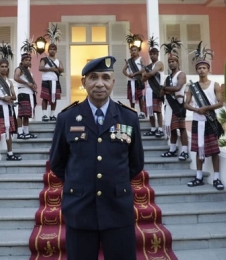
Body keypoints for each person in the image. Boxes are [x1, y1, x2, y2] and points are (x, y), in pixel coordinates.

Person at [50, 56, 144, 259]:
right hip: (80, 210)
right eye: (93, 77)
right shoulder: (67, 118)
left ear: (113, 82)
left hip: (117, 209)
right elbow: (57, 163)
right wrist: (81, 182)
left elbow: (136, 163)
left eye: (105, 77)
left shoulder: (129, 117)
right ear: (83, 82)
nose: (99, 83)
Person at [184, 42, 224, 189]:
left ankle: (217, 178)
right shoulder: (192, 86)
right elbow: (186, 104)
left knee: (214, 150)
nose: (201, 70)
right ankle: (199, 176)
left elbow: (220, 103)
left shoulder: (215, 85)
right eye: (199, 68)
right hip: (197, 120)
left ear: (208, 70)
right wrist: (196, 110)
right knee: (198, 149)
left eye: (204, 68)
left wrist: (206, 107)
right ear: (196, 70)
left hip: (210, 120)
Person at [0, 42, 22, 164]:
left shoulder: (10, 82)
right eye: (1, 66)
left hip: (9, 108)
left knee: (8, 131)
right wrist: (2, 98)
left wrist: (11, 97)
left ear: (8, 68)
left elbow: (14, 96)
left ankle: (10, 153)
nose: (4, 68)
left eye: (5, 66)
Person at [160, 38, 189, 161]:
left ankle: (185, 151)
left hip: (178, 105)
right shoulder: (168, 77)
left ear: (177, 62)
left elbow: (177, 87)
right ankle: (172, 149)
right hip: (169, 106)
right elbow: (164, 92)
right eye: (169, 61)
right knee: (172, 128)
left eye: (173, 61)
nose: (171, 63)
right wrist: (166, 89)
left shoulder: (181, 74)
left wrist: (165, 88)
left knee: (181, 128)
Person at [39, 24, 64, 121]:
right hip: (46, 80)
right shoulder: (44, 59)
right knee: (45, 98)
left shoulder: (58, 61)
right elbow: (40, 68)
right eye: (51, 49)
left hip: (55, 81)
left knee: (54, 98)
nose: (52, 50)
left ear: (56, 51)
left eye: (54, 49)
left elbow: (62, 69)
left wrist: (57, 68)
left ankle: (52, 114)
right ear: (48, 50)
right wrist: (50, 69)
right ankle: (44, 115)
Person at [141, 36, 164, 138]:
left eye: (154, 54)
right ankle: (153, 128)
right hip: (149, 90)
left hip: (157, 89)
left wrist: (146, 74)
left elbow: (151, 74)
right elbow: (143, 79)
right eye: (151, 54)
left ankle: (160, 129)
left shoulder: (159, 63)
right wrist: (146, 74)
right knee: (150, 110)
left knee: (158, 110)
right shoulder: (149, 66)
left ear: (158, 54)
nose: (152, 56)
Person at [14, 44, 38, 139]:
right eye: (26, 60)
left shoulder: (29, 71)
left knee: (27, 114)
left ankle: (26, 132)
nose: (28, 61)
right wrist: (27, 84)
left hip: (29, 93)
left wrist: (34, 85)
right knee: (21, 113)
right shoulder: (19, 69)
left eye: (29, 60)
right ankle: (20, 133)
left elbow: (32, 82)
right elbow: (16, 77)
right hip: (23, 93)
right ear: (22, 61)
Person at [122, 39, 146, 119]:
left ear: (138, 51)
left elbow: (144, 69)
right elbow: (123, 70)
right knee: (131, 96)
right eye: (132, 50)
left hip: (138, 80)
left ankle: (142, 113)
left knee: (140, 97)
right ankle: (132, 112)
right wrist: (128, 75)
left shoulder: (141, 59)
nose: (133, 51)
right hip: (131, 81)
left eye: (135, 50)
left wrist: (135, 74)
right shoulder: (129, 61)